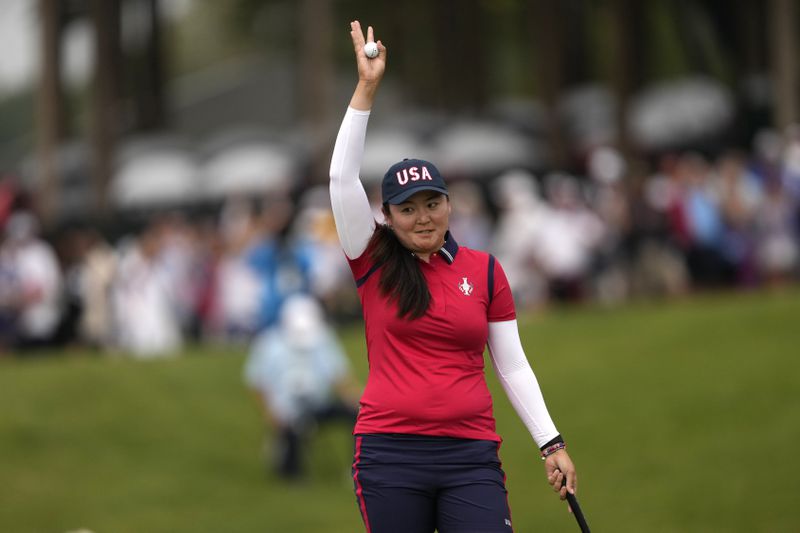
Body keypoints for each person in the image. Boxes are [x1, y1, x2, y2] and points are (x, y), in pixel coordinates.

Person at [328, 21, 578, 533]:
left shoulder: (484, 271)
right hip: (390, 454)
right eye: (407, 209)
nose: (422, 217)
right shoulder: (371, 259)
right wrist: (367, 88)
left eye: (432, 203)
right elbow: (340, 178)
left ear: (449, 204)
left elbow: (511, 367)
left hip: (470, 456)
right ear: (388, 217)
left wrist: (550, 443)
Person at [243, 293, 360, 480]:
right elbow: (257, 382)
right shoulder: (268, 343)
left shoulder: (324, 339)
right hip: (286, 410)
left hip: (318, 403)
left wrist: (353, 398)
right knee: (290, 450)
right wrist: (271, 413)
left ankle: (358, 467)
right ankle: (293, 474)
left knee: (354, 414)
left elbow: (338, 373)